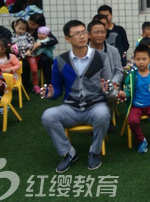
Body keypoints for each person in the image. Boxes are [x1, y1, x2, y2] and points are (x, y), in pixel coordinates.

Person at [41, 20, 115, 173]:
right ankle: (68, 153)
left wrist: (106, 89)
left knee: (103, 113)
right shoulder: (60, 61)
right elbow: (57, 91)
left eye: (83, 33)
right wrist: (51, 94)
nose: (82, 36)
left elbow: (109, 87)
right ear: (68, 39)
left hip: (95, 105)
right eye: (77, 34)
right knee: (48, 115)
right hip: (71, 108)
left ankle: (95, 152)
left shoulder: (101, 57)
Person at [87, 20, 124, 132]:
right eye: (96, 32)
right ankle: (90, 120)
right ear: (89, 34)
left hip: (109, 84)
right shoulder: (83, 51)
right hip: (89, 86)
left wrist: (113, 82)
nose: (100, 35)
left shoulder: (113, 50)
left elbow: (119, 71)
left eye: (103, 32)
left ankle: (106, 120)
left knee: (112, 94)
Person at [26, 13, 58, 90]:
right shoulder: (24, 28)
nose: (30, 25)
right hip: (27, 55)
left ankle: (49, 83)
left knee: (46, 60)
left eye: (33, 25)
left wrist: (40, 44)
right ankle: (25, 85)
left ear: (39, 25)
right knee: (24, 63)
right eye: (29, 22)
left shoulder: (42, 31)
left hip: (39, 56)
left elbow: (54, 41)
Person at [10, 19, 39, 93]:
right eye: (19, 28)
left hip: (29, 55)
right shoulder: (12, 37)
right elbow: (11, 46)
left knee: (34, 70)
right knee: (16, 70)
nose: (21, 31)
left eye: (23, 29)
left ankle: (35, 85)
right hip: (18, 57)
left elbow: (33, 43)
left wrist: (29, 50)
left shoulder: (27, 35)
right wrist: (11, 48)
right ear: (15, 26)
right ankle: (16, 85)